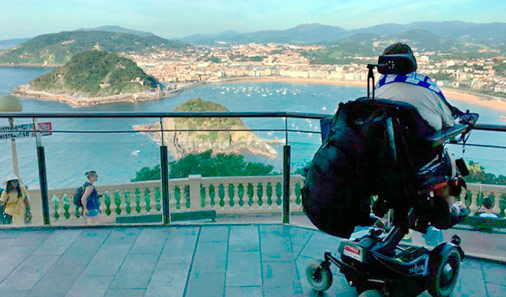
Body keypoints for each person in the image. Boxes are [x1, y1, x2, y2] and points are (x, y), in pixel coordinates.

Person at [375, 42, 468, 226]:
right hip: (419, 162)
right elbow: (448, 122)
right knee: (448, 161)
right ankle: (448, 206)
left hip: (386, 160)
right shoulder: (425, 84)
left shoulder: (379, 86)